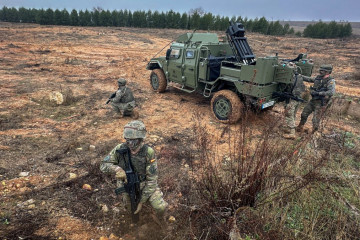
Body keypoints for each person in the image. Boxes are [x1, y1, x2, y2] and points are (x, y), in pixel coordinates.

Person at [100, 120, 168, 222]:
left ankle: (161, 221)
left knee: (160, 207)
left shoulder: (148, 152)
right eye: (127, 139)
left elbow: (152, 179)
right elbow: (103, 165)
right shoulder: (119, 149)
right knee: (130, 211)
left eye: (133, 140)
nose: (129, 143)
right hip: (127, 185)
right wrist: (117, 169)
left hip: (145, 184)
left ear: (141, 139)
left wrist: (142, 201)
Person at [296, 64, 335, 133]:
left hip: (321, 102)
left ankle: (313, 134)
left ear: (327, 72)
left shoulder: (330, 81)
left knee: (315, 119)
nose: (320, 72)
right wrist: (299, 75)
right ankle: (300, 127)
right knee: (304, 114)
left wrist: (319, 93)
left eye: (323, 71)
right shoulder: (318, 78)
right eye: (320, 70)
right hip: (313, 100)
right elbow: (309, 79)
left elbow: (331, 92)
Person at [283, 70, 306, 139]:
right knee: (293, 115)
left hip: (292, 99)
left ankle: (292, 133)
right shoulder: (299, 77)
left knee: (289, 115)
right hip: (298, 99)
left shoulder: (290, 78)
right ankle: (289, 128)